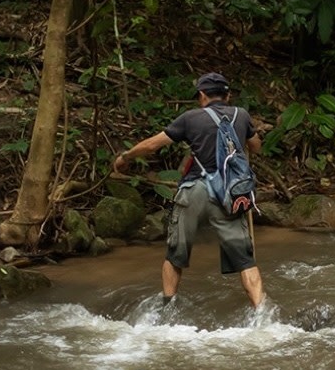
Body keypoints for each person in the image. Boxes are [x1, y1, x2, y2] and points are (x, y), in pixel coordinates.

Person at [111, 71, 265, 306]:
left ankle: (167, 309)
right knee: (246, 260)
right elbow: (256, 147)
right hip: (230, 195)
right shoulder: (241, 115)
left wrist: (126, 157)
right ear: (228, 95)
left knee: (175, 255)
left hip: (194, 191)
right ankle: (261, 311)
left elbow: (153, 145)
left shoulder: (190, 118)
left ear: (202, 95)